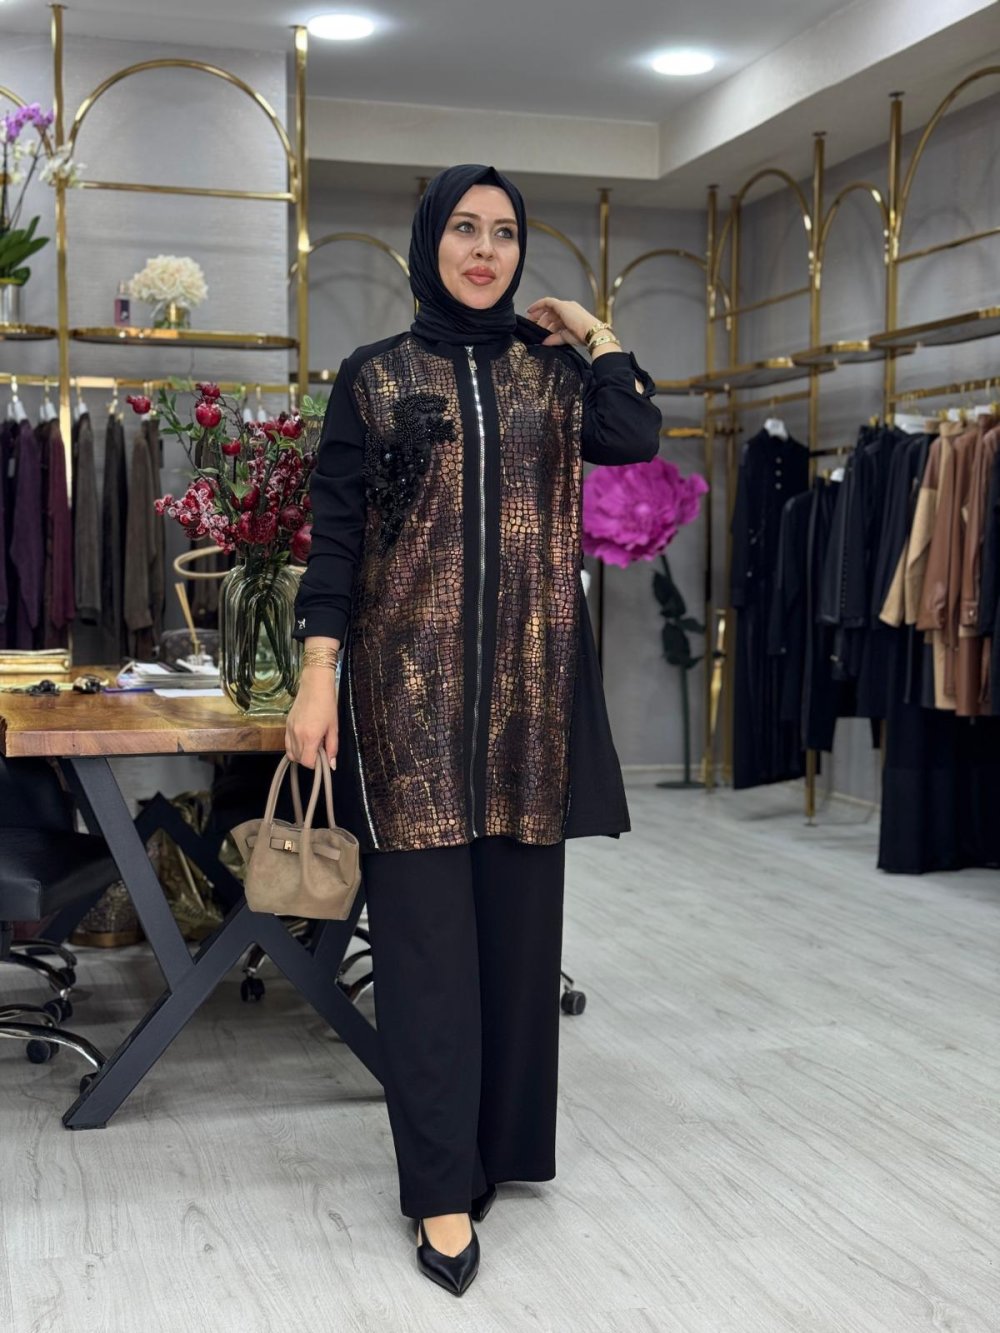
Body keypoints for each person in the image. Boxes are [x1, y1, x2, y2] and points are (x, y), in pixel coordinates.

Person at [285, 163, 661, 1296]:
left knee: (516, 945)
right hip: (404, 701)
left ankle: (497, 1149)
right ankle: (440, 1188)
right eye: (463, 228)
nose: (485, 250)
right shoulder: (375, 377)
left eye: (503, 232)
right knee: (423, 956)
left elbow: (635, 431)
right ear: (429, 241)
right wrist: (316, 678)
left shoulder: (555, 378)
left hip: (527, 707)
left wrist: (592, 329)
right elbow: (336, 539)